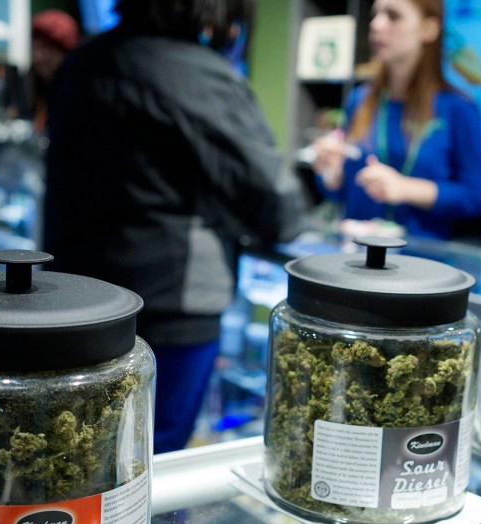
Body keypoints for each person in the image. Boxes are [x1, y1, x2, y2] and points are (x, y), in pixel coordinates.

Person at [44, 0, 308, 453]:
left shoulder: (83, 61)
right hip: (170, 302)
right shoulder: (196, 73)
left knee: (77, 452)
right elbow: (279, 209)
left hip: (73, 297)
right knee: (151, 458)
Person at [311, 0, 481, 240]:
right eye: (375, 15)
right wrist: (330, 173)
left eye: (393, 16)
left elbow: (477, 196)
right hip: (355, 257)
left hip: (420, 262)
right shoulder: (359, 100)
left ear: (429, 29)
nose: (376, 25)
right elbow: (342, 192)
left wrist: (405, 189)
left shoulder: (458, 108)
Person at [28, 9, 80, 134]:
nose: (38, 57)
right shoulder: (43, 87)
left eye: (46, 48)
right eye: (35, 47)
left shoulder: (79, 95)